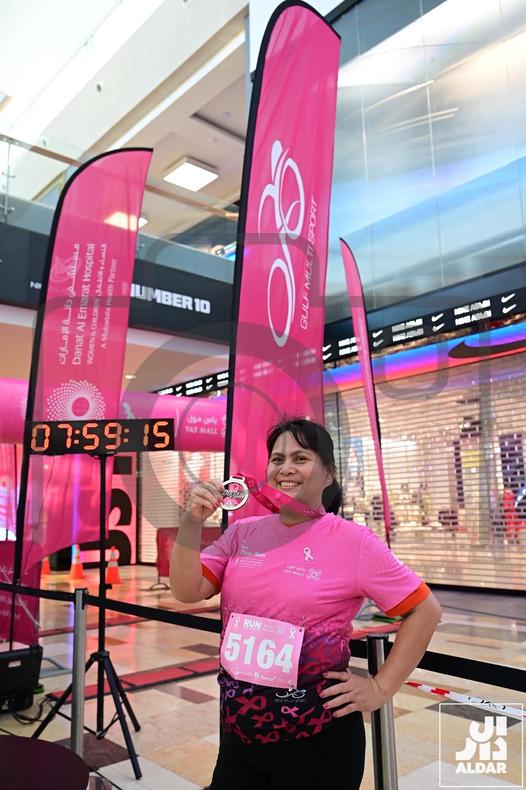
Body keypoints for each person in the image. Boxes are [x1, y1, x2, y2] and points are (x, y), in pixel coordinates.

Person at [170, 417, 442, 790]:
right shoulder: (242, 534)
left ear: (328, 474)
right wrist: (190, 523)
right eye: (277, 458)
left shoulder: (353, 542)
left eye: (300, 458)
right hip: (239, 734)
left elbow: (425, 610)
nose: (286, 468)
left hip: (318, 738)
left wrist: (380, 688)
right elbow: (187, 590)